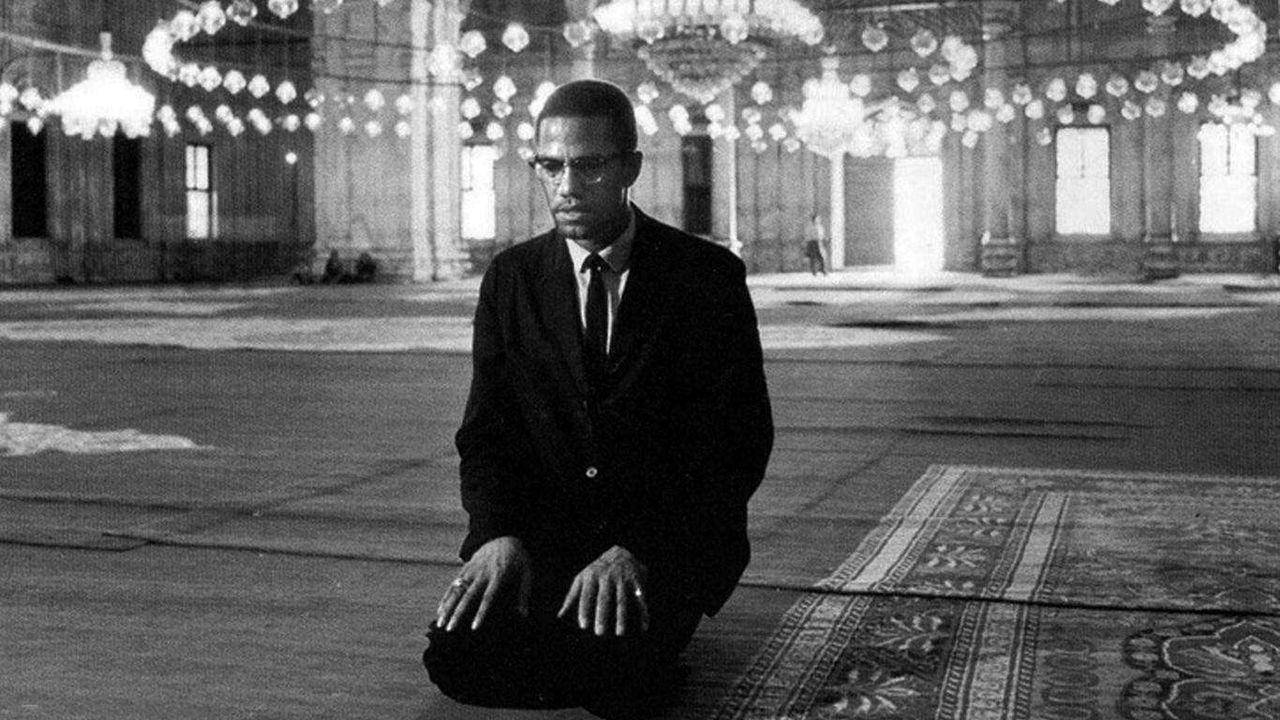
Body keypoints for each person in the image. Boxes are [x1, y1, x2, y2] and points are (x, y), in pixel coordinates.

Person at [422, 79, 774, 718]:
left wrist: (639, 547)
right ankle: (594, 648)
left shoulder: (706, 278)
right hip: (550, 538)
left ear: (631, 168)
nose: (566, 186)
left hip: (661, 543)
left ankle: (627, 643)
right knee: (455, 658)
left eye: (588, 167)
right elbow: (488, 430)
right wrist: (498, 534)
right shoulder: (512, 278)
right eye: (550, 166)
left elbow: (737, 443)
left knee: (617, 686)